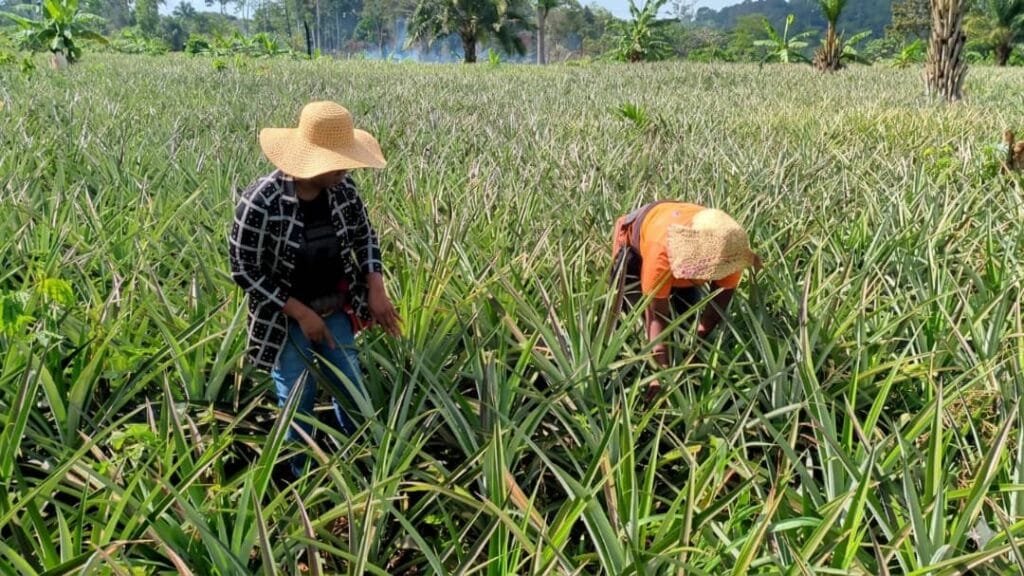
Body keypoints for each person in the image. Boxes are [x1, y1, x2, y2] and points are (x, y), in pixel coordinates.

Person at [229, 101, 401, 477]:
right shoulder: (262, 200)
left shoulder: (343, 191)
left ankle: (359, 465)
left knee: (352, 389)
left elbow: (364, 237)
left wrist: (375, 284)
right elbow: (243, 269)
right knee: (296, 401)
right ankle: (298, 480)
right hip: (284, 321)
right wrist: (300, 312)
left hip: (336, 308)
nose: (346, 167)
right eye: (338, 160)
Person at [611, 201, 760, 396]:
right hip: (634, 246)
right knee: (633, 319)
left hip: (678, 227)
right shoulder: (661, 253)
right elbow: (656, 317)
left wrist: (696, 348)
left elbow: (715, 309)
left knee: (684, 322)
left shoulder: (730, 252)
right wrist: (659, 376)